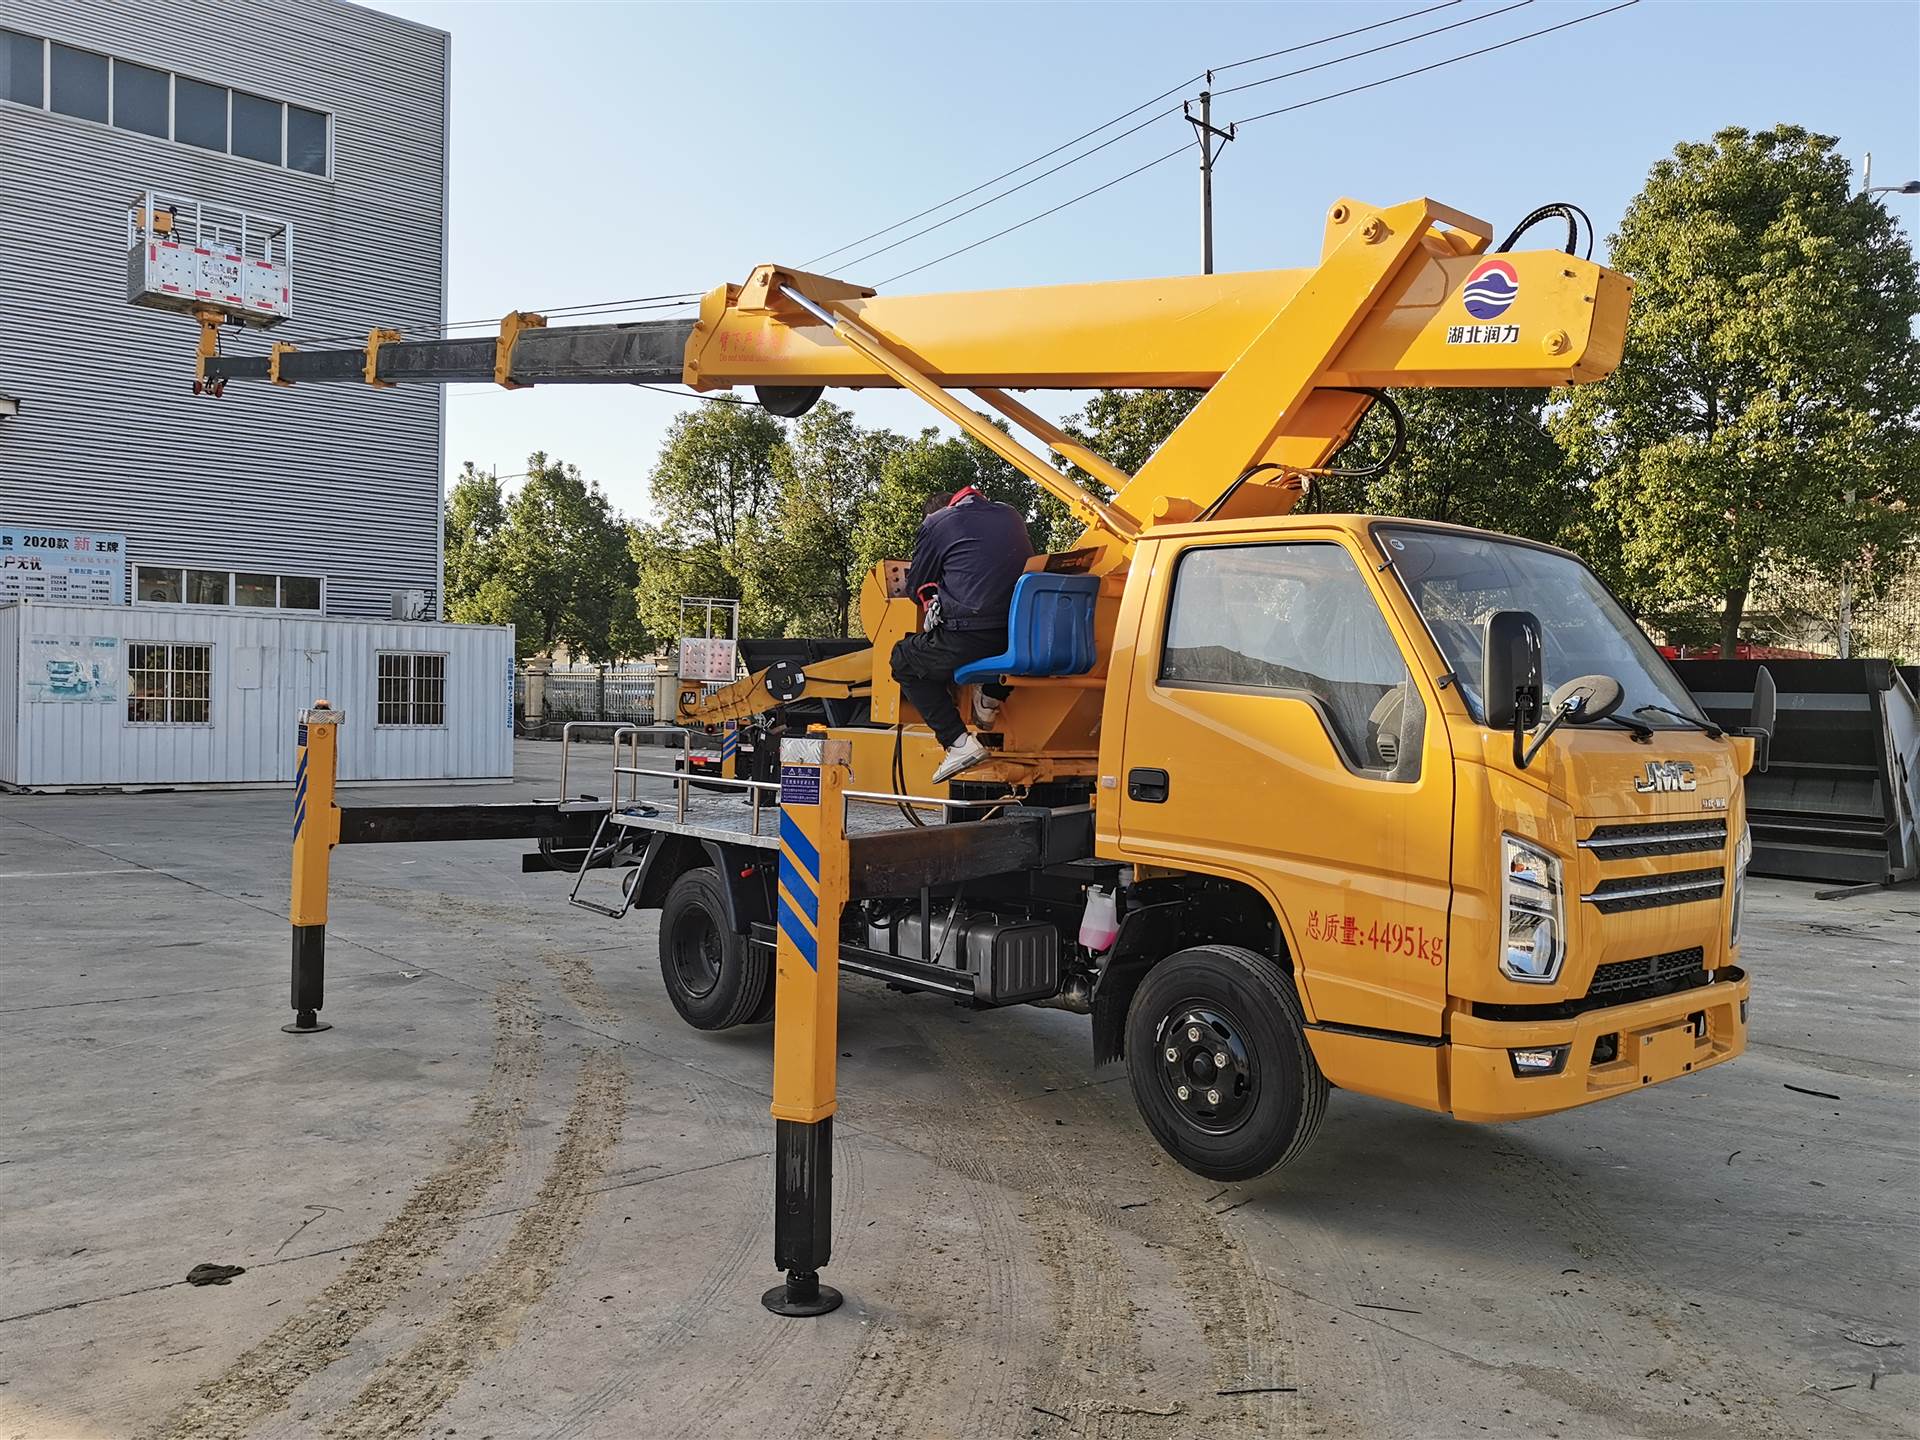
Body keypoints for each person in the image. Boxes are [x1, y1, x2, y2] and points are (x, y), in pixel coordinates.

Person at [891, 485, 1034, 782]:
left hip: (972, 635)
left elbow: (916, 584)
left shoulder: (938, 523)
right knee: (984, 648)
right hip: (1019, 634)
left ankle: (957, 742)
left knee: (904, 659)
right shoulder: (1011, 515)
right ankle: (990, 696)